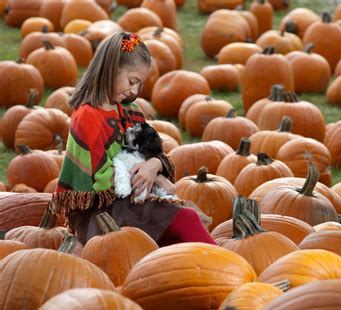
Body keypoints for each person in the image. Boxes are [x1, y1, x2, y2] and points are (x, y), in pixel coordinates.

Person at [47, 31, 216, 247]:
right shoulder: (88, 116)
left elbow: (151, 151)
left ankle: (214, 267)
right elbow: (102, 180)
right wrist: (153, 178)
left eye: (139, 85)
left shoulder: (131, 110)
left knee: (174, 239)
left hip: (134, 201)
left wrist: (154, 165)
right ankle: (230, 262)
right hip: (105, 212)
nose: (134, 90)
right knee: (185, 218)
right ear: (110, 69)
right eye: (131, 81)